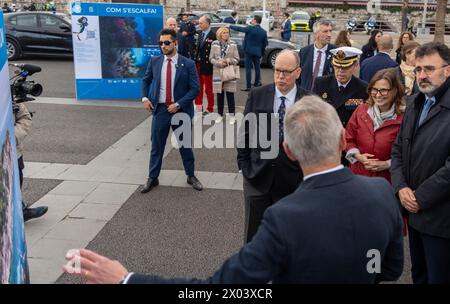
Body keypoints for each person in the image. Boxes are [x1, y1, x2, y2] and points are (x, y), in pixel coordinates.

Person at [64, 95, 404, 284]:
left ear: (287, 150)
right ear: (344, 139)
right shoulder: (381, 195)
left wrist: (127, 280)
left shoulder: (283, 218)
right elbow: (389, 269)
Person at [391, 42, 450, 284]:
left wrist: (419, 198)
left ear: (447, 70)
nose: (422, 75)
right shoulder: (416, 102)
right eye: (418, 70)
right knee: (419, 275)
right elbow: (397, 150)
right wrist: (401, 188)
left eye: (429, 69)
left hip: (441, 219)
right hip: (414, 213)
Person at [237, 50, 308, 243]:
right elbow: (245, 133)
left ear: (298, 72)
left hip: (292, 182)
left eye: (286, 71)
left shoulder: (309, 102)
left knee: (288, 236)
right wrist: (245, 167)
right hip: (257, 178)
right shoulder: (257, 95)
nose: (280, 76)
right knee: (253, 236)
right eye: (277, 71)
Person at [140, 28, 203, 193]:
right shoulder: (155, 61)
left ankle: (191, 176)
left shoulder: (187, 63)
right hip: (160, 110)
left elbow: (195, 89)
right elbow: (145, 81)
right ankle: (153, 178)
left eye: (166, 43)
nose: (163, 46)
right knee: (157, 146)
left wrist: (179, 104)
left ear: (175, 43)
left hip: (180, 111)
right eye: (160, 43)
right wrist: (145, 98)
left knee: (185, 145)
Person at [345, 68, 405, 183]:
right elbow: (348, 138)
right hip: (358, 177)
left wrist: (386, 164)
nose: (378, 95)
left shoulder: (404, 118)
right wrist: (358, 156)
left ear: (395, 91)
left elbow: (408, 153)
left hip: (387, 181)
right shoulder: (361, 111)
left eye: (383, 90)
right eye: (374, 89)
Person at [312, 46, 368, 129]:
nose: (340, 71)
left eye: (346, 67)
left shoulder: (363, 88)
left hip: (348, 136)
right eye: (337, 66)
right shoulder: (321, 83)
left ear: (355, 65)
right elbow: (311, 110)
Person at [14, 103, 48, 221]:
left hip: (12, 151)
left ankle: (20, 212)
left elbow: (24, 117)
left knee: (16, 182)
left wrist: (12, 136)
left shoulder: (8, 93)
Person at [209, 27, 240, 125]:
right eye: (224, 33)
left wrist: (228, 61)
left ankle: (232, 116)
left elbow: (237, 59)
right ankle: (219, 115)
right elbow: (211, 58)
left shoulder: (233, 44)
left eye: (227, 32)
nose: (226, 34)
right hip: (218, 71)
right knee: (220, 95)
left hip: (229, 71)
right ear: (219, 34)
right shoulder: (214, 43)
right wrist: (218, 63)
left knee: (230, 94)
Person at [230, 15, 268, 92]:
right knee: (257, 69)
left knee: (248, 69)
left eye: (252, 20)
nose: (251, 21)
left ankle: (248, 86)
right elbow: (265, 44)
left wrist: (230, 26)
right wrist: (262, 53)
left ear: (254, 21)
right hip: (258, 52)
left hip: (248, 51)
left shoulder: (250, 28)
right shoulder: (263, 32)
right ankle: (257, 84)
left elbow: (240, 29)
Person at [297, 19, 336, 91]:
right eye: (325, 31)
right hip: (305, 95)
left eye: (330, 31)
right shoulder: (304, 52)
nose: (329, 35)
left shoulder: (335, 52)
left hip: (326, 97)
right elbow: (298, 76)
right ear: (316, 34)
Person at [193, 15, 216, 114]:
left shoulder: (213, 35)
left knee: (208, 89)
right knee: (198, 87)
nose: (199, 25)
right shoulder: (200, 33)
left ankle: (210, 108)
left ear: (207, 23)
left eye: (201, 23)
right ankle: (198, 107)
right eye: (199, 23)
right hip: (198, 64)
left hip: (208, 66)